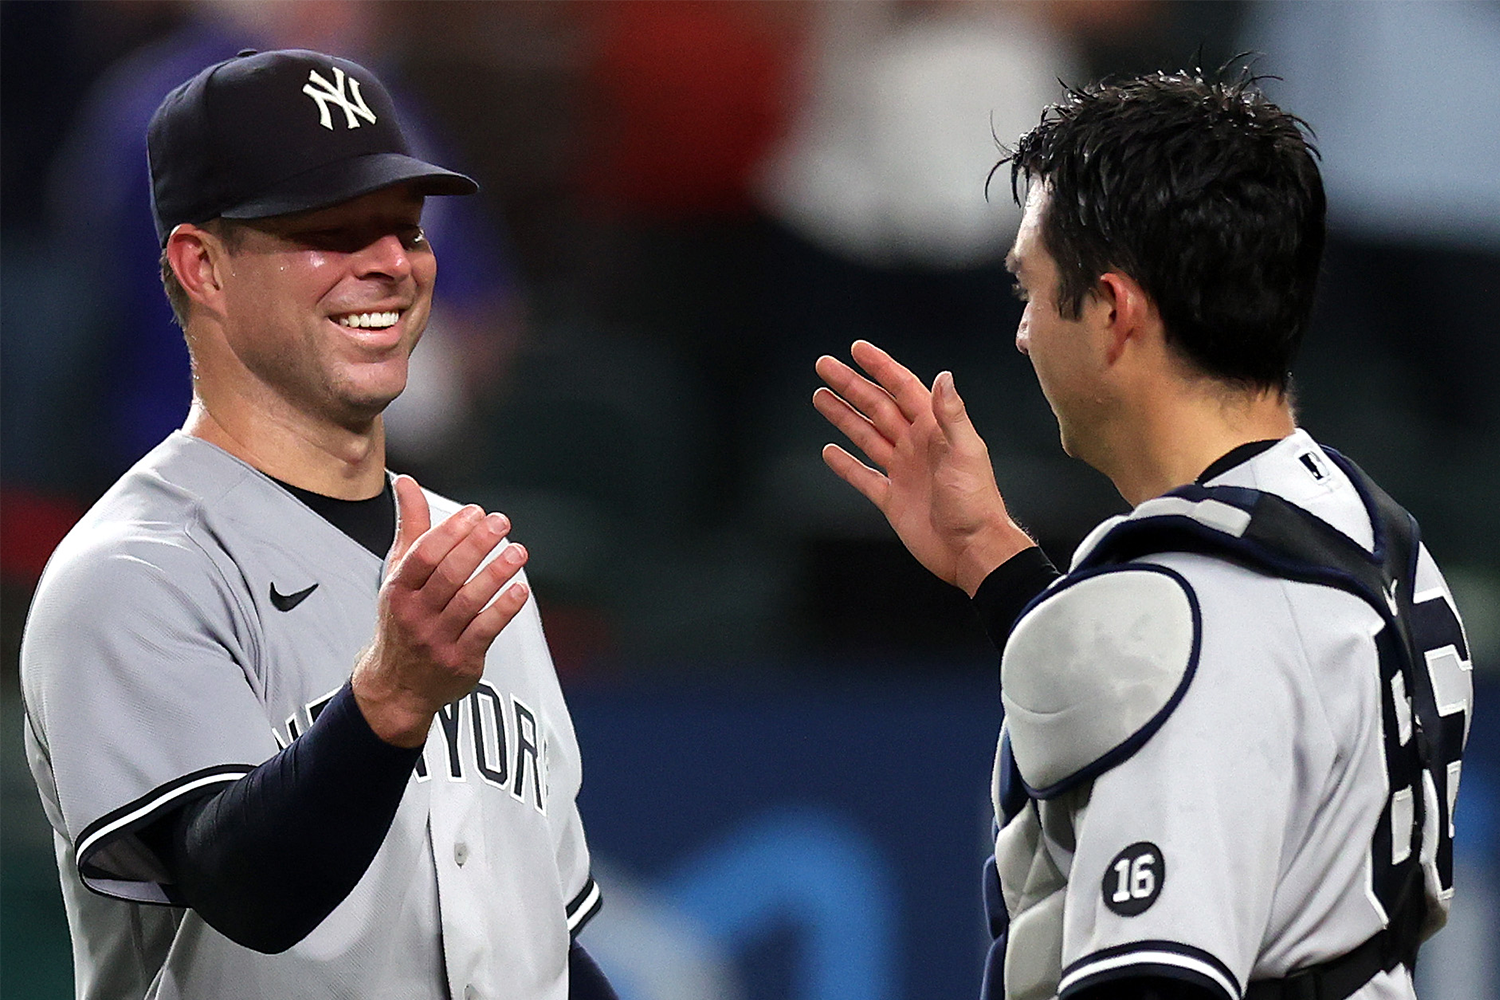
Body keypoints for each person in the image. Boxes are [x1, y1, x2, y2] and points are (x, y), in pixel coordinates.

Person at [813, 68, 1473, 1000]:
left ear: (1115, 312)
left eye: (1031, 292)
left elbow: (1159, 979)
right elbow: (1196, 702)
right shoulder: (1362, 525)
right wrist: (993, 563)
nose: (1022, 334)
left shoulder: (1203, 611)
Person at [21, 50, 615, 1000]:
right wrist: (388, 701)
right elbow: (246, 894)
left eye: (404, 228)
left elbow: (543, 947)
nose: (388, 263)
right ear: (201, 266)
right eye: (331, 231)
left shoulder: (469, 557)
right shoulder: (134, 570)